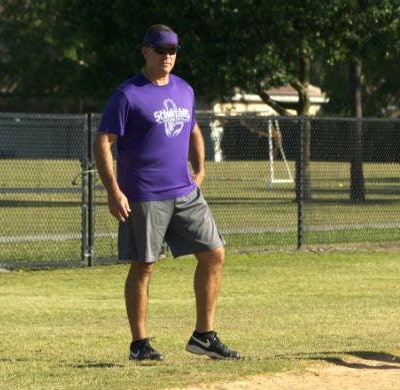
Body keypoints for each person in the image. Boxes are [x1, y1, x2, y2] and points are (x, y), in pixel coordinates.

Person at [94, 24, 240, 361]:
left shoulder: (184, 90)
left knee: (214, 254)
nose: (167, 56)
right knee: (144, 265)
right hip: (144, 195)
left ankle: (204, 336)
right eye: (160, 50)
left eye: (172, 50)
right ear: (145, 51)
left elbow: (193, 129)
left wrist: (200, 169)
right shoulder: (128, 94)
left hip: (185, 192)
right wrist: (113, 190)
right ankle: (140, 344)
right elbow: (103, 140)